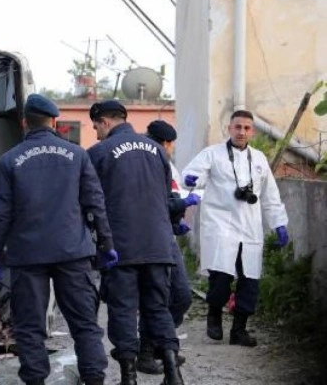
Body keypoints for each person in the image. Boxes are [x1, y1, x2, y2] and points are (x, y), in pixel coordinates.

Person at [0, 94, 118, 385]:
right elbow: (95, 204)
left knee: (30, 326)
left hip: (27, 255)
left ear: (24, 123)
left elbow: (0, 213)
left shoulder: (10, 160)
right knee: (84, 323)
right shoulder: (77, 155)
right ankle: (94, 378)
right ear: (54, 122)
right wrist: (106, 245)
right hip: (73, 251)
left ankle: (35, 380)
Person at [87, 101, 184, 385]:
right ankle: (173, 373)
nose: (95, 133)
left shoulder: (98, 153)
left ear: (105, 121)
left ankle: (129, 377)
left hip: (121, 247)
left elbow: (90, 201)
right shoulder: (158, 151)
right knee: (158, 308)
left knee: (123, 310)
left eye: (95, 127)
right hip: (158, 246)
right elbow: (168, 198)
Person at [182, 110, 289, 347]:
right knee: (221, 277)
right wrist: (191, 179)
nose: (242, 132)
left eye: (247, 128)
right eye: (237, 127)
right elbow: (192, 173)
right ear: (229, 128)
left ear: (252, 131)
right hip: (220, 225)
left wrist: (279, 223)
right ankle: (214, 317)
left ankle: (239, 330)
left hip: (250, 227)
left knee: (250, 280)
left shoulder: (259, 159)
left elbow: (271, 196)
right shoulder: (213, 154)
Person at [133, 120, 200, 374]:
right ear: (166, 143)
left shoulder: (167, 164)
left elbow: (169, 197)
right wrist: (181, 206)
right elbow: (154, 203)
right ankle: (147, 352)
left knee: (181, 296)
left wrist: (177, 222)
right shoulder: (146, 161)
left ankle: (160, 344)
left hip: (166, 237)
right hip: (149, 240)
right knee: (158, 298)